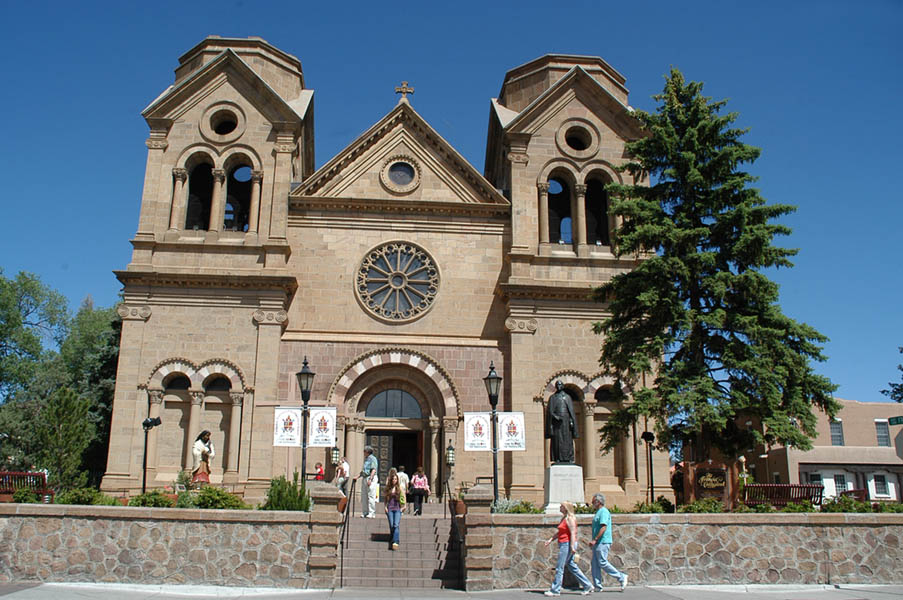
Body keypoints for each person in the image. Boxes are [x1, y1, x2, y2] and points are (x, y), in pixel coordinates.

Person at [543, 501, 593, 596]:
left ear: (566, 508)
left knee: (560, 567)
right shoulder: (564, 518)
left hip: (567, 544)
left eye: (561, 506)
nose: (560, 507)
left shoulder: (570, 519)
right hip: (564, 543)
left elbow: (573, 533)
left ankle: (555, 590)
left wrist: (572, 546)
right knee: (571, 565)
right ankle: (587, 585)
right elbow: (560, 532)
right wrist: (551, 539)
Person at [589, 493, 628, 592]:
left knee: (602, 562)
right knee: (595, 564)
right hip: (598, 542)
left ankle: (621, 577)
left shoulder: (604, 512)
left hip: (603, 541)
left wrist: (595, 539)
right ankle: (597, 586)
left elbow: (603, 527)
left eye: (593, 502)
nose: (592, 503)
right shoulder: (598, 512)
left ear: (598, 502)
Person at [545, 381, 578, 463]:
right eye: (557, 385)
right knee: (557, 440)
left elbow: (571, 411)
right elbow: (549, 411)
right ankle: (558, 458)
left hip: (566, 421)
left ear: (563, 386)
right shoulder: (553, 397)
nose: (558, 386)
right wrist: (555, 416)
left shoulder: (567, 397)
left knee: (567, 440)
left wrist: (571, 421)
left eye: (560, 384)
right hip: (557, 423)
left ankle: (568, 458)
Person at [383, 467, 406, 550]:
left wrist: (404, 507)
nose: (394, 480)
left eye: (395, 479)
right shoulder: (388, 489)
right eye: (393, 479)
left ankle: (395, 541)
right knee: (392, 525)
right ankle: (392, 538)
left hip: (397, 508)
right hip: (390, 508)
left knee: (396, 525)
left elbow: (403, 497)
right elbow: (386, 498)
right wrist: (385, 507)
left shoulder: (399, 488)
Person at [356, 445, 378, 518]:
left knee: (371, 496)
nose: (363, 453)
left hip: (370, 478)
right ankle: (365, 512)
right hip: (365, 477)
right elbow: (364, 470)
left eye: (364, 451)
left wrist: (370, 479)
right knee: (364, 496)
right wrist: (357, 476)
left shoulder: (373, 459)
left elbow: (374, 469)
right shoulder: (366, 459)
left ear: (367, 451)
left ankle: (372, 512)